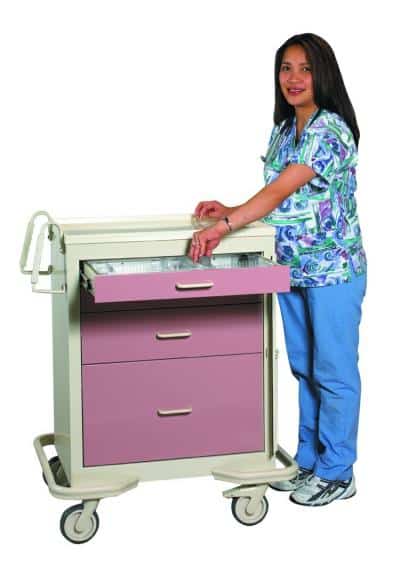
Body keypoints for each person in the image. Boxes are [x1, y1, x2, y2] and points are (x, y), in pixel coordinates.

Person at [188, 33, 367, 507]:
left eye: (305, 68)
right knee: (304, 368)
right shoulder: (285, 130)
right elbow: (279, 201)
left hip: (333, 272)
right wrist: (231, 209)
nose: (294, 78)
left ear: (323, 74)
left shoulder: (330, 131)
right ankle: (309, 460)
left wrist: (226, 226)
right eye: (286, 68)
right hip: (292, 269)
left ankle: (338, 471)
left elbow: (278, 192)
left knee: (333, 372)